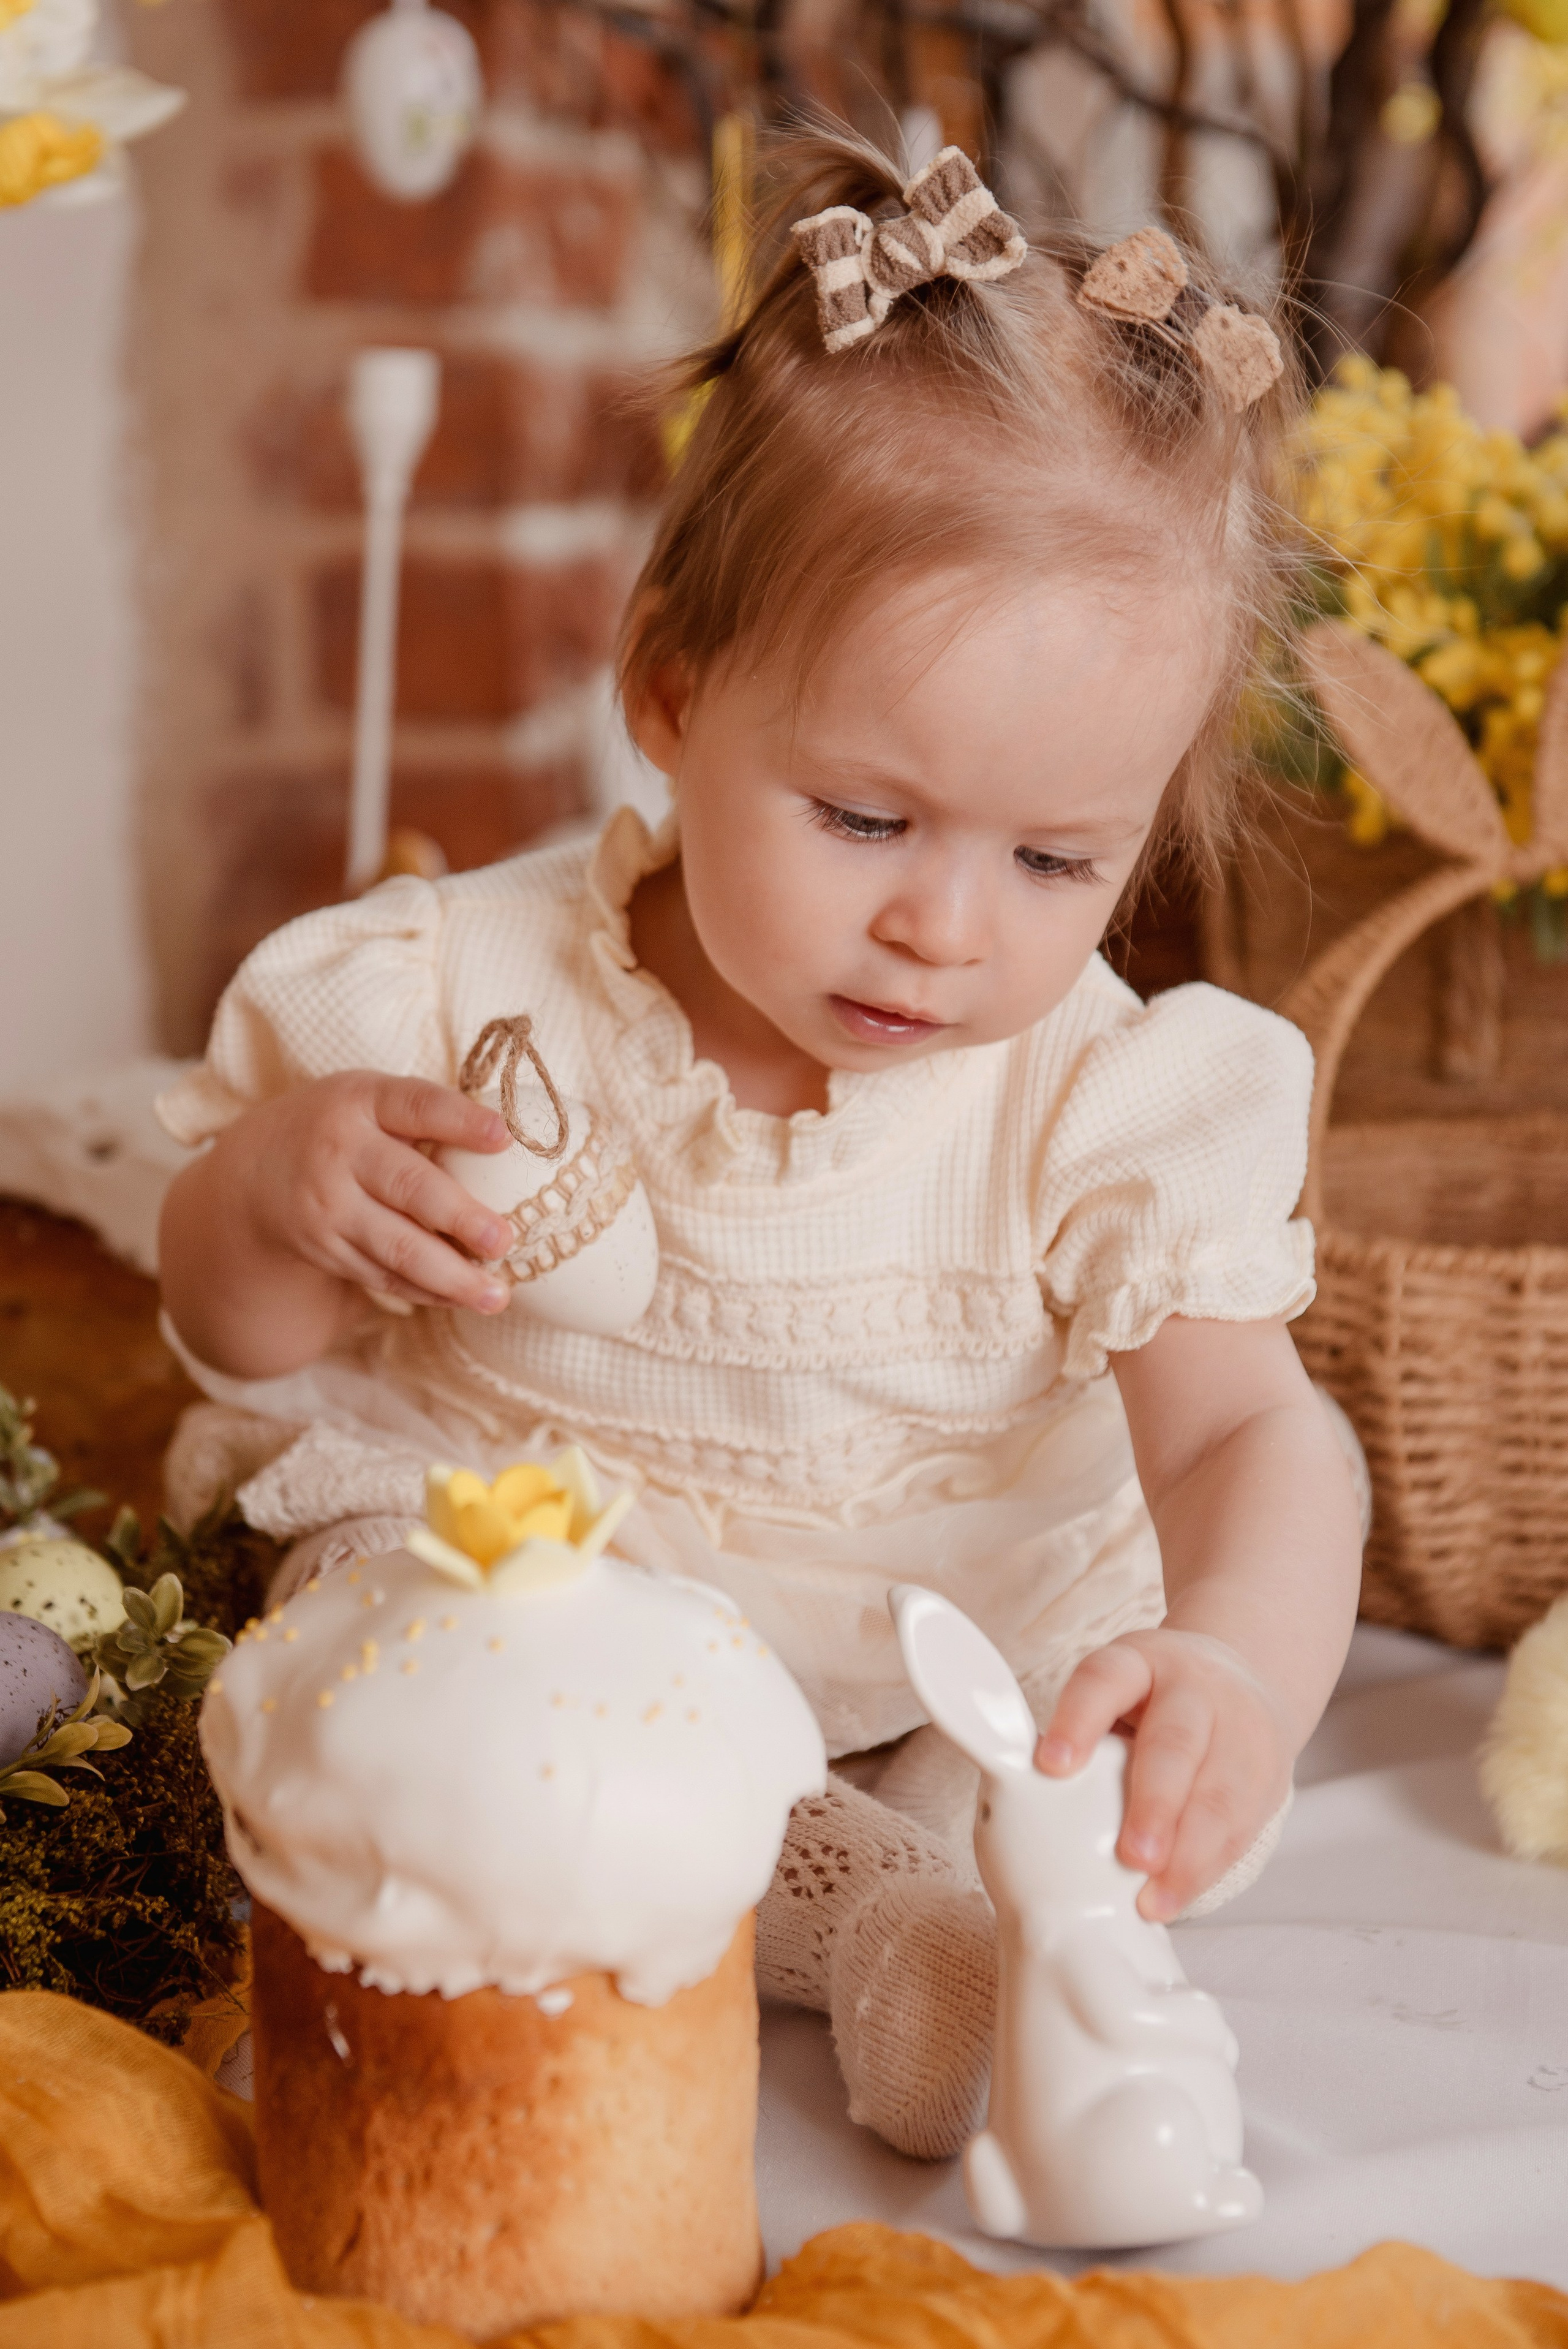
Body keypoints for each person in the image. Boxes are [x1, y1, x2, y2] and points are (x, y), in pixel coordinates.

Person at [157, 132, 1363, 2160]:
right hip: (555, 1588)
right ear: (670, 689)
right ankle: (828, 1912)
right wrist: (284, 1193)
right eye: (866, 820)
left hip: (946, 1627)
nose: (944, 928)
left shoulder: (1104, 1101)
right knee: (370, 1619)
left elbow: (1250, 1431)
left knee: (1073, 1775)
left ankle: (928, 1887)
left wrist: (1234, 1663)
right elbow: (230, 1330)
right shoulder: (454, 991)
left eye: (1057, 858)